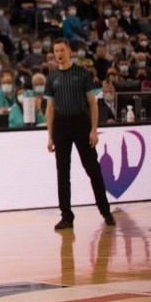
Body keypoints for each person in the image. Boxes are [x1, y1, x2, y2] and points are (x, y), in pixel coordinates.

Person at [45, 38, 114, 230]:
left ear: (69, 51)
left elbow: (93, 103)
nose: (59, 54)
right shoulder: (51, 78)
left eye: (62, 50)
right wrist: (50, 136)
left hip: (81, 123)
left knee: (93, 169)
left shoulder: (82, 73)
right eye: (56, 51)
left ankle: (105, 211)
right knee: (62, 173)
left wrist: (94, 129)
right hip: (61, 126)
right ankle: (66, 216)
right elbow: (50, 109)